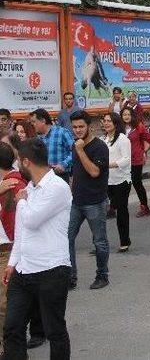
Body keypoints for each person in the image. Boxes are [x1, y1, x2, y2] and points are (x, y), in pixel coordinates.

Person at [3, 138, 72, 359]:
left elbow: (31, 220)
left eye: (18, 162)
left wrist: (22, 201)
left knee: (55, 331)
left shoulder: (57, 187)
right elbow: (22, 231)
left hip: (52, 270)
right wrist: (12, 263)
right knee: (12, 327)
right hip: (23, 271)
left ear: (26, 162)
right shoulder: (30, 188)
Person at [67, 111, 110, 290]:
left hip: (95, 202)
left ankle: (102, 275)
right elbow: (76, 173)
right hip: (76, 202)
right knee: (66, 237)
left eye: (81, 126)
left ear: (89, 126)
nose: (77, 130)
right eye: (75, 127)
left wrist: (80, 150)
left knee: (99, 241)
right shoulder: (75, 145)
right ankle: (70, 276)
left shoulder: (99, 147)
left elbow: (94, 172)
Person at [0, 144, 27, 339]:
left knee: (4, 304)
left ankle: (9, 346)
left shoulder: (13, 184)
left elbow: (18, 222)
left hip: (7, 251)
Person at [102, 113, 132, 253]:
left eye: (109, 121)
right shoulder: (103, 139)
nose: (106, 123)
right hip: (107, 181)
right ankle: (100, 243)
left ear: (116, 123)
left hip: (122, 181)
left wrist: (108, 165)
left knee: (121, 211)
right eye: (105, 121)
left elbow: (126, 160)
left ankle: (124, 241)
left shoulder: (123, 139)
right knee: (101, 211)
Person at [29, 109, 74, 183]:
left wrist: (64, 164)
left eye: (34, 122)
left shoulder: (62, 132)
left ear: (43, 121)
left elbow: (75, 152)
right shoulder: (37, 138)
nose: (32, 124)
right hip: (43, 177)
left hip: (61, 176)